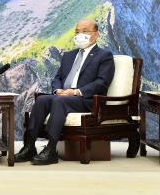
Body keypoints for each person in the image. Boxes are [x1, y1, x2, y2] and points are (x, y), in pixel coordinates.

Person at [15, 19, 115, 165]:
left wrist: (75, 92)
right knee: (42, 100)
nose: (80, 35)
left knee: (58, 101)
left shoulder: (104, 56)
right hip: (64, 95)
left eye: (85, 31)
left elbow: (102, 83)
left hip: (86, 99)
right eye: (77, 32)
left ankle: (50, 150)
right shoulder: (69, 55)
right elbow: (58, 77)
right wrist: (58, 90)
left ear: (96, 35)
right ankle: (29, 146)